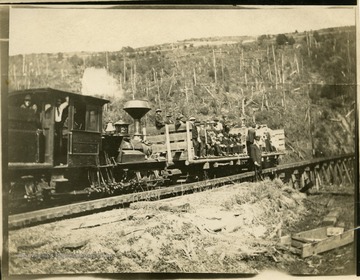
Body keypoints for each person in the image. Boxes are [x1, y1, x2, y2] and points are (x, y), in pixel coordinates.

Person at [54, 96, 69, 165]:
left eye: (59, 102)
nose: (58, 103)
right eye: (57, 102)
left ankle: (59, 161)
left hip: (59, 126)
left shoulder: (60, 107)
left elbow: (67, 103)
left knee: (59, 144)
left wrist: (66, 97)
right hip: (53, 125)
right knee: (55, 143)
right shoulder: (53, 108)